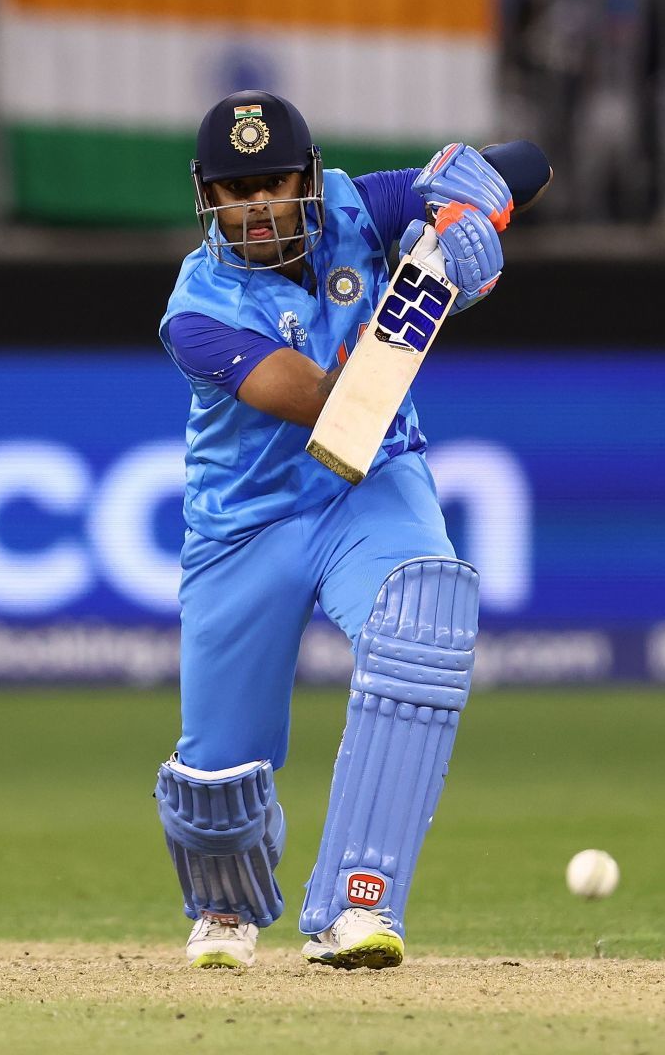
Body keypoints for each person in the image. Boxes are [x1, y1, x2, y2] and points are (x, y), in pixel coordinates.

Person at [155, 90, 530, 970]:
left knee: (422, 619)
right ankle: (225, 910)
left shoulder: (361, 204)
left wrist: (470, 217)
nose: (256, 205)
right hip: (246, 527)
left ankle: (360, 904)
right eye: (234, 189)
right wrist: (428, 292)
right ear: (206, 198)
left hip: (370, 491)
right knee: (216, 783)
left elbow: (528, 162)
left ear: (309, 181)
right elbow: (326, 405)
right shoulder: (196, 310)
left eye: (274, 182)